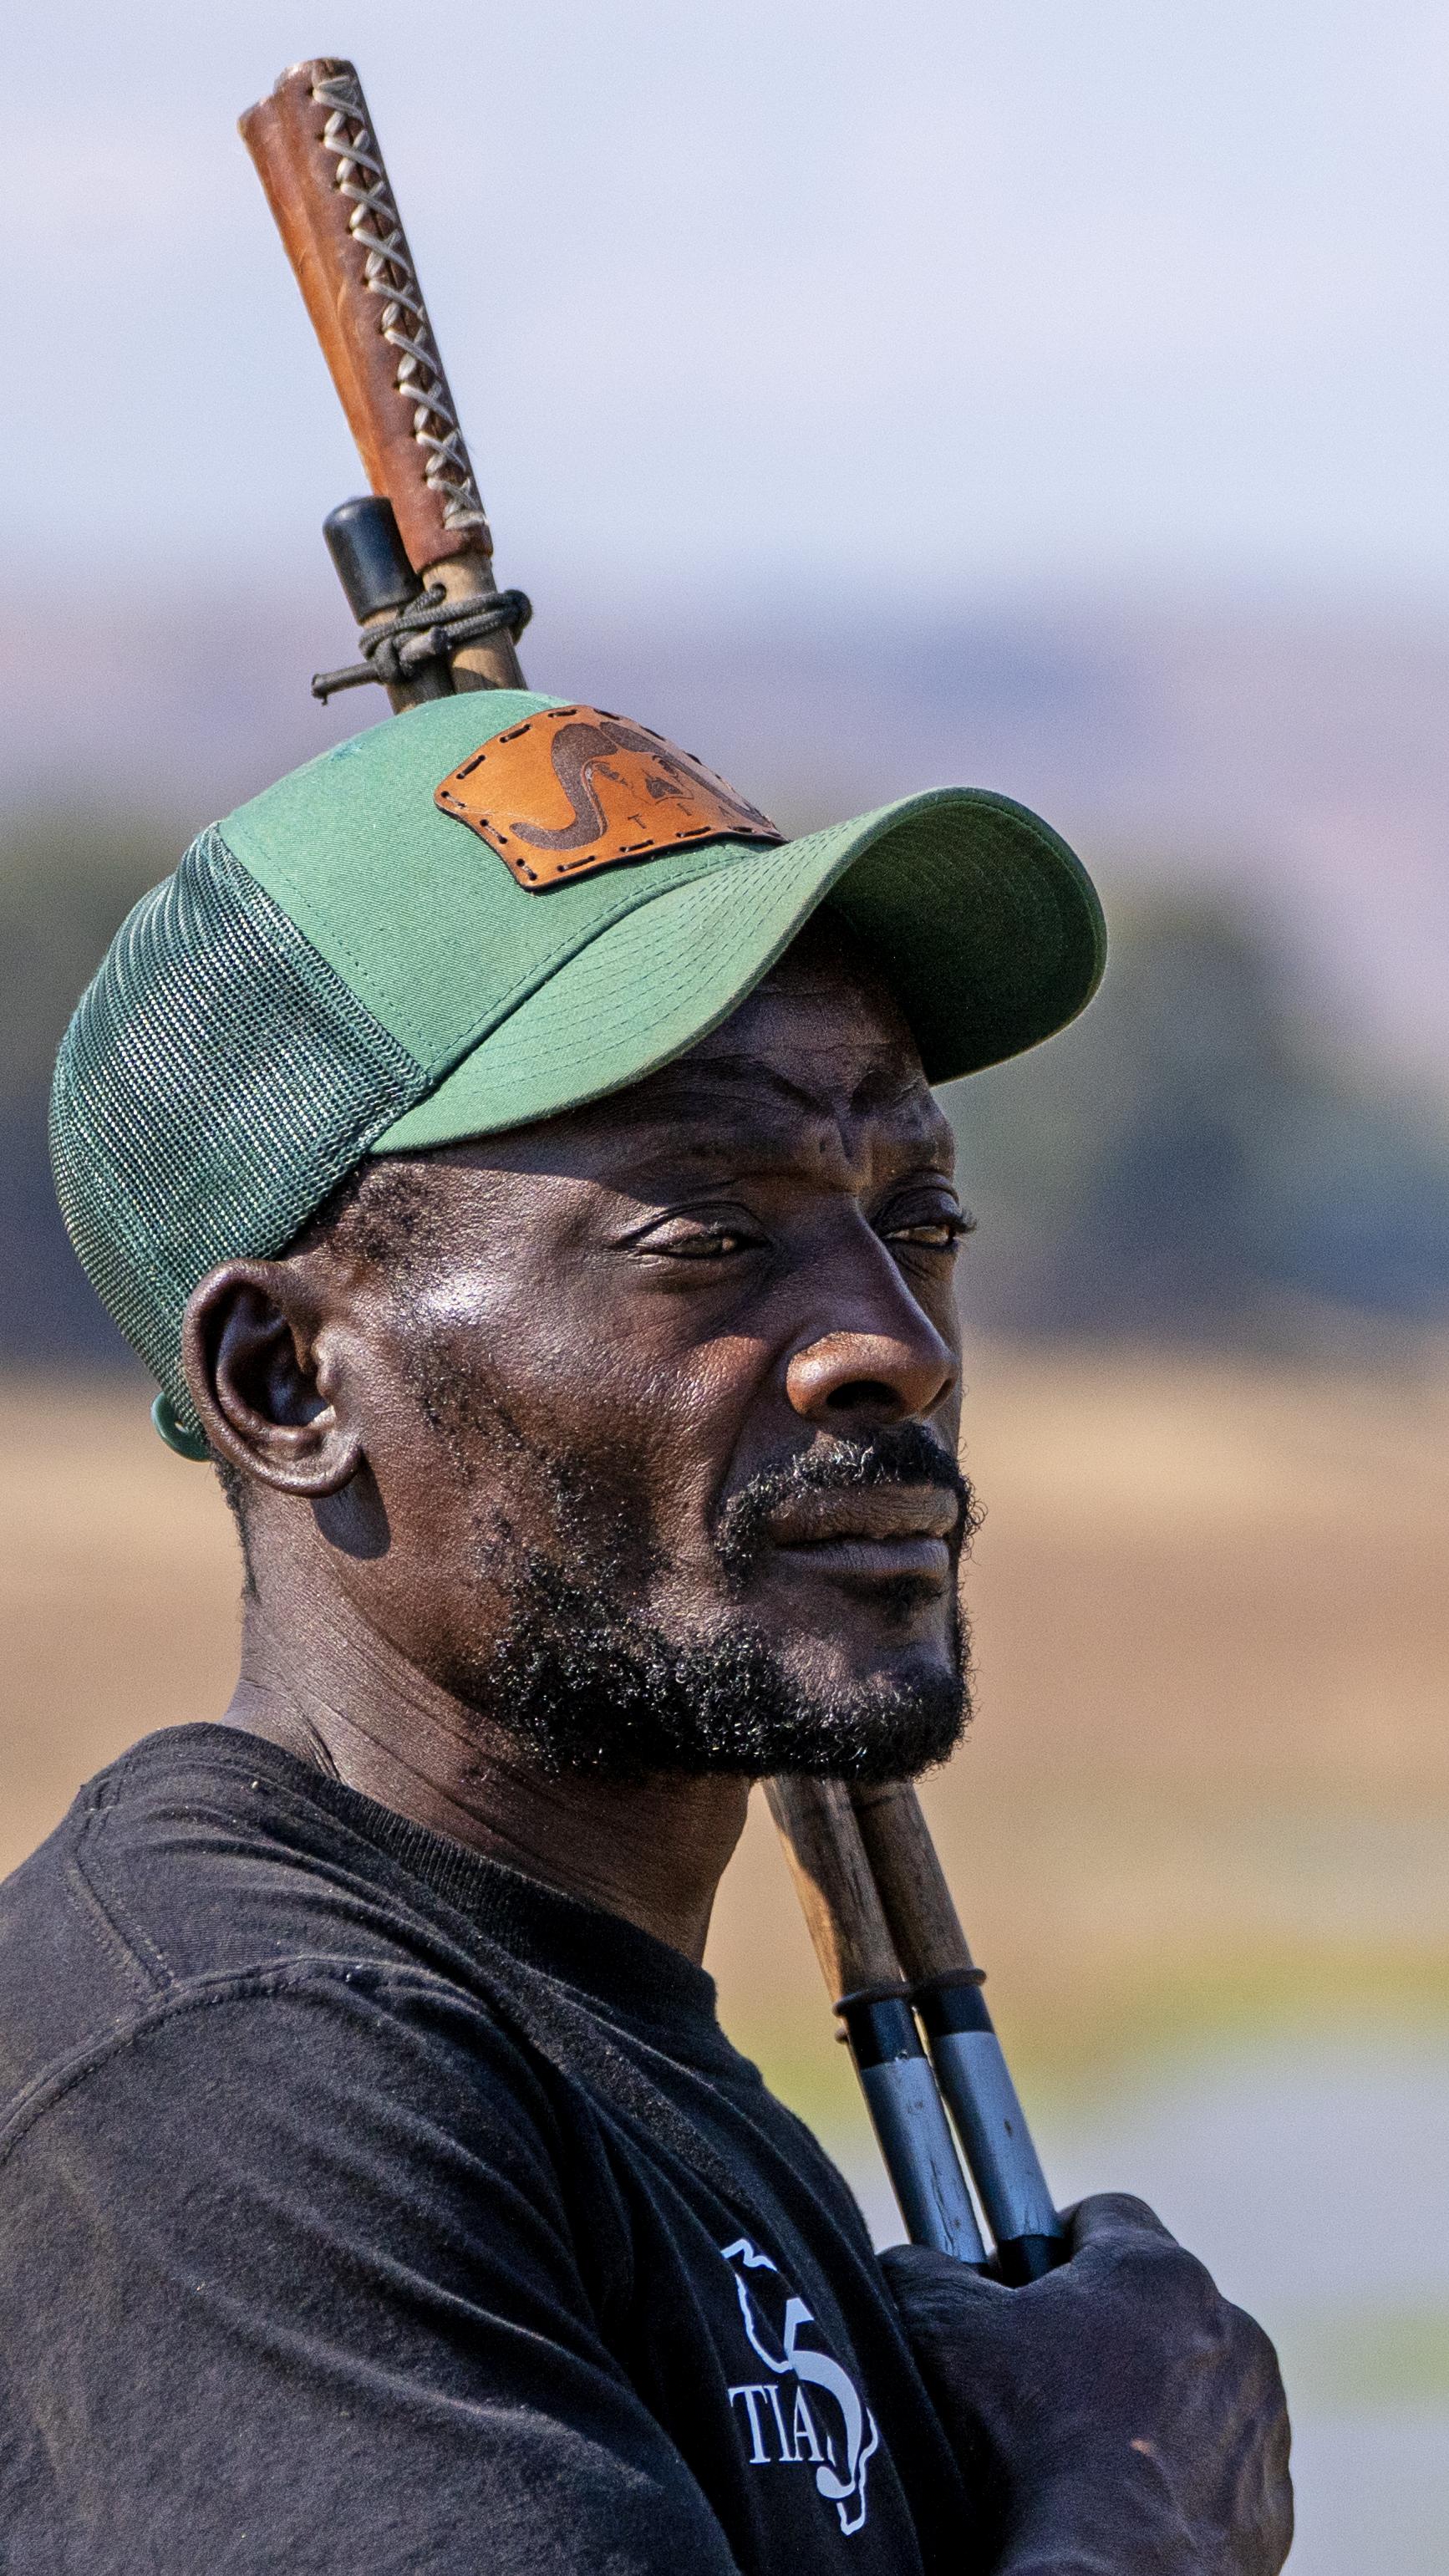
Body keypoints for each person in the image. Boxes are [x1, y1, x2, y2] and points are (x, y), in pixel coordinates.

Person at [3, 694, 1291, 2571]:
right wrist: (1137, 2514)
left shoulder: (621, 2067)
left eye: (922, 1216)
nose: (896, 1343)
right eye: (707, 1237)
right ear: (287, 1380)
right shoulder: (241, 2084)